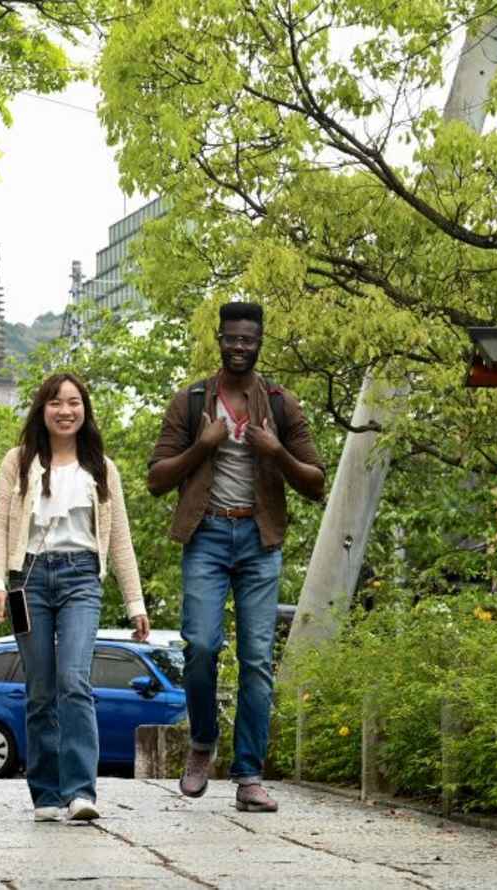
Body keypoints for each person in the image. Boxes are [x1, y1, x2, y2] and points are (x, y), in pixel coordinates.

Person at [146, 302, 324, 813]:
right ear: (219, 339)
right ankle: (202, 742)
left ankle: (248, 775)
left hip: (258, 539)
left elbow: (315, 481)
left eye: (248, 340)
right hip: (206, 536)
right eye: (231, 339)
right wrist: (203, 446)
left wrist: (276, 452)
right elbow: (157, 478)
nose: (239, 347)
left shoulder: (281, 403)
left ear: (259, 342)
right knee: (200, 646)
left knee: (256, 662)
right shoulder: (192, 400)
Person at [0, 372, 149, 822]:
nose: (65, 411)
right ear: (42, 409)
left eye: (74, 402)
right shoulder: (17, 462)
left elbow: (120, 541)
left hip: (81, 579)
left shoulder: (101, 467)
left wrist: (135, 603)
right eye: (56, 402)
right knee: (39, 689)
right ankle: (46, 795)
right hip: (26, 581)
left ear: (85, 410)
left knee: (74, 680)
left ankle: (81, 791)